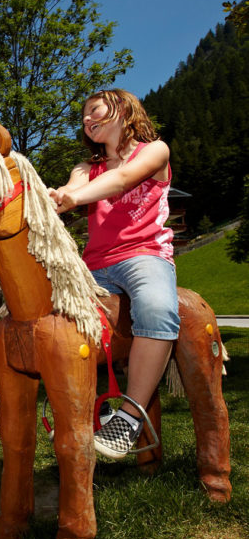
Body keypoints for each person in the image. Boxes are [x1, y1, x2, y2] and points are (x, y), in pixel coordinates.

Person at [49, 89, 180, 459]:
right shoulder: (84, 169)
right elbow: (72, 189)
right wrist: (54, 198)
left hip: (145, 254)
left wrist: (75, 198)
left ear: (123, 108)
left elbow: (122, 180)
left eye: (95, 110)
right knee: (60, 324)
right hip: (95, 264)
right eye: (83, 117)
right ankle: (87, 407)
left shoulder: (155, 151)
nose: (87, 119)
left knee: (156, 308)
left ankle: (130, 415)